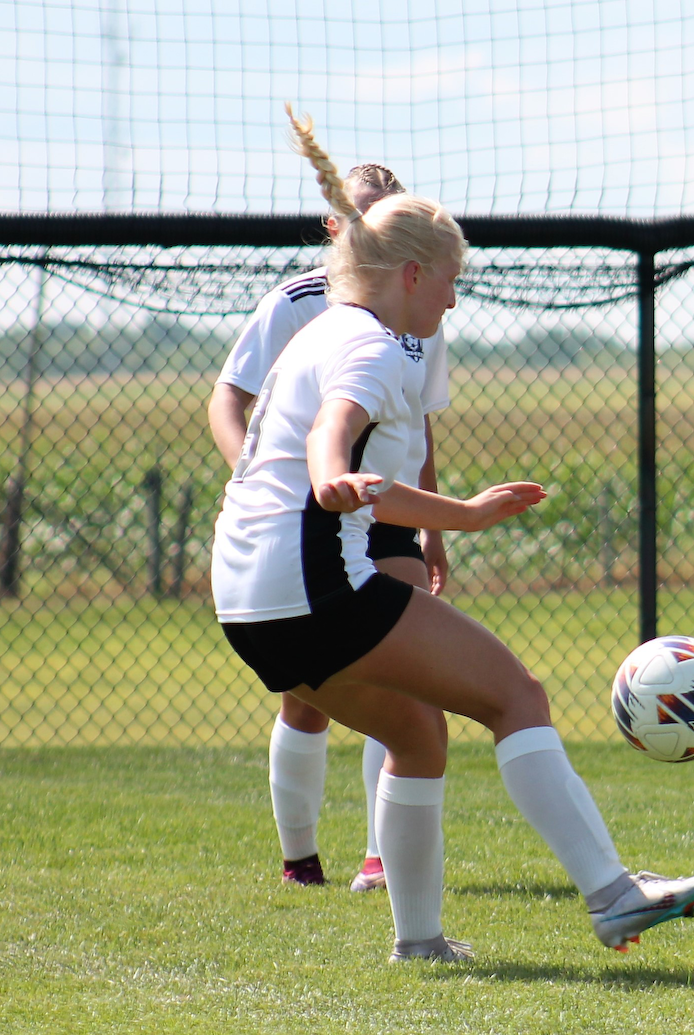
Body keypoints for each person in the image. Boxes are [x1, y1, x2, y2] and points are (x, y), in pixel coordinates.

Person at [211, 106, 694, 961]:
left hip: (246, 602)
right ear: (412, 273)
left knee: (417, 735)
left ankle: (420, 943)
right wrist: (340, 476)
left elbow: (362, 483)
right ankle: (613, 896)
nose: (453, 298)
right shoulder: (373, 346)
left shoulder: (326, 327)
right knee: (516, 694)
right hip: (311, 586)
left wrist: (457, 511)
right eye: (450, 280)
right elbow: (332, 435)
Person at [209, 162, 452, 893]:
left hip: (386, 508)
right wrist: (258, 479)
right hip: (313, 510)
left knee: (412, 686)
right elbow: (229, 400)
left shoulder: (420, 308)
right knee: (309, 697)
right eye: (361, 216)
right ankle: (301, 858)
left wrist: (437, 527)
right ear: (335, 225)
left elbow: (418, 423)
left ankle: (381, 858)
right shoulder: (298, 304)